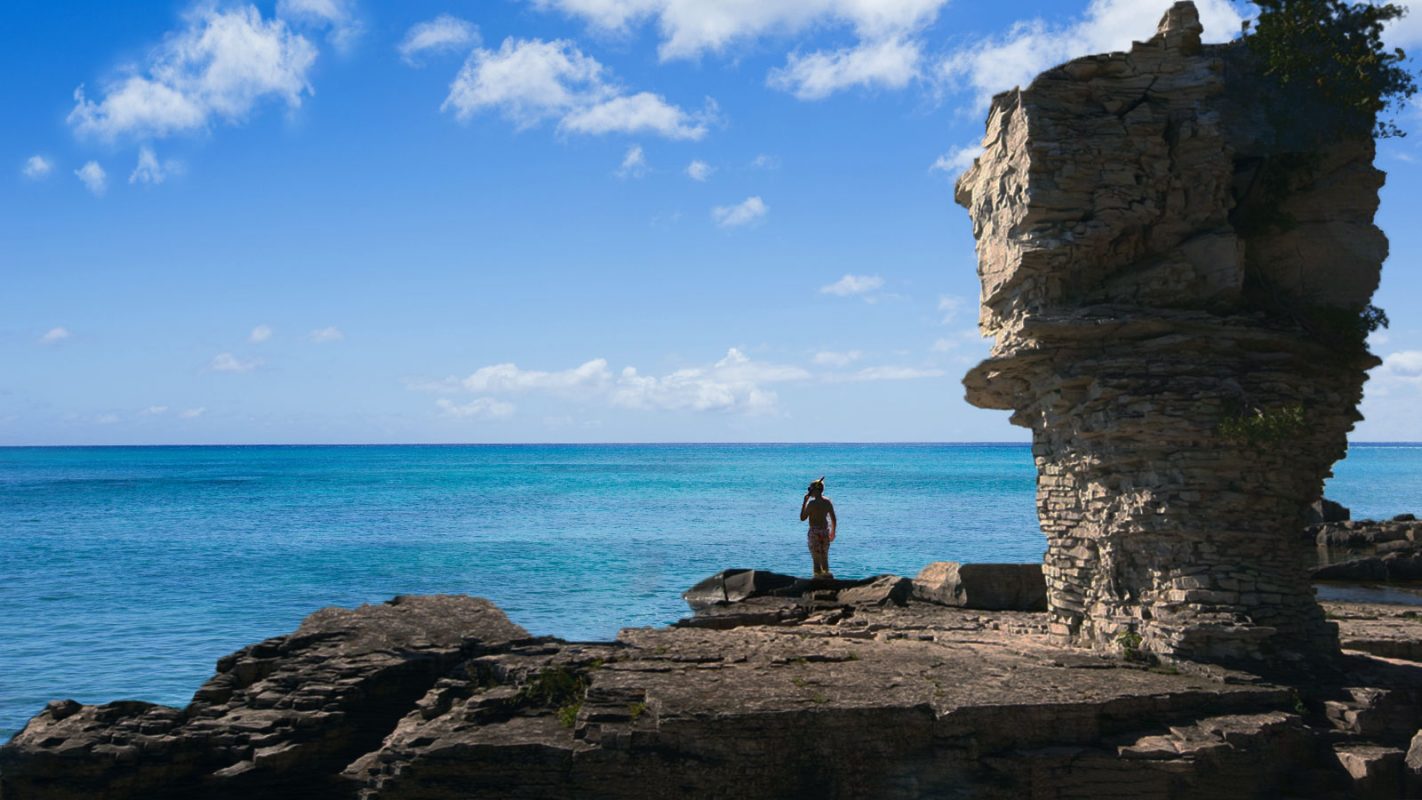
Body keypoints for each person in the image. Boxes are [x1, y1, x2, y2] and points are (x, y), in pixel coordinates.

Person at [799, 477, 837, 578]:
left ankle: (817, 580)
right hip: (825, 532)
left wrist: (804, 502)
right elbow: (833, 519)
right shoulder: (827, 502)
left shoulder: (811, 504)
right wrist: (833, 532)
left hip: (814, 533)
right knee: (824, 558)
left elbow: (802, 518)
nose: (808, 491)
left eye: (809, 489)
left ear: (815, 490)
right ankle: (826, 578)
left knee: (816, 559)